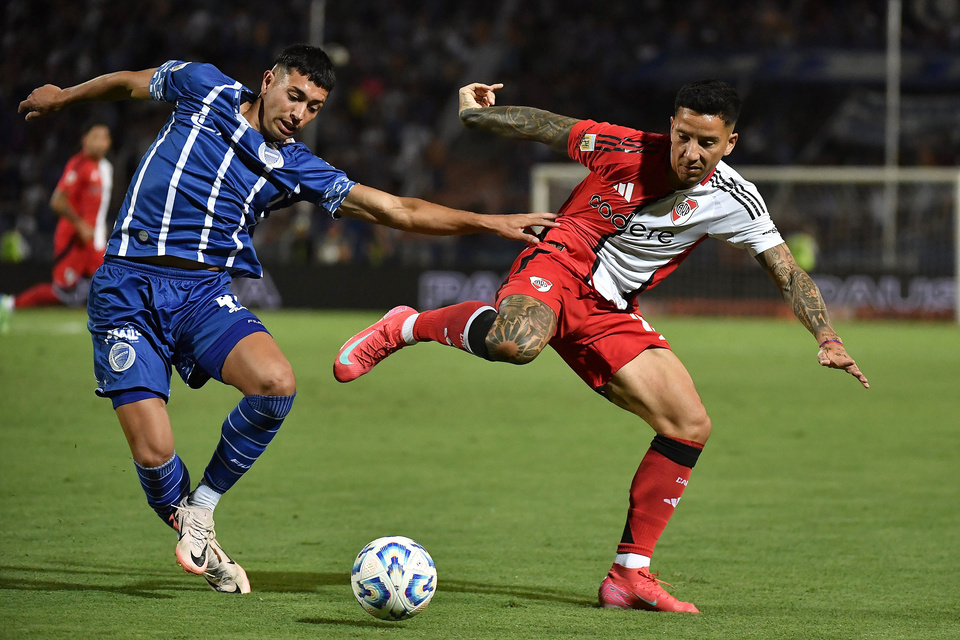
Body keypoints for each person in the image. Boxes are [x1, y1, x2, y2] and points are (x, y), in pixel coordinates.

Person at [17, 46, 557, 594]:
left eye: (314, 107)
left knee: (276, 383)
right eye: (295, 96)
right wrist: (65, 96)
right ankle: (192, 530)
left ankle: (201, 511)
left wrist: (490, 222)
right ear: (269, 80)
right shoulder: (202, 87)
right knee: (155, 454)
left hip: (202, 296)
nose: (300, 114)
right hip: (126, 291)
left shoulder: (297, 167)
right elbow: (130, 82)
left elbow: (395, 210)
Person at [333, 79, 869, 612]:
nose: (690, 152)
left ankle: (629, 576)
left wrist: (827, 337)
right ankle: (405, 326)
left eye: (706, 143)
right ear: (671, 127)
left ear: (730, 142)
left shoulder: (735, 201)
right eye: (682, 136)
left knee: (689, 424)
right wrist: (476, 117)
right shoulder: (627, 148)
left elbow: (786, 270)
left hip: (610, 310)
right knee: (516, 343)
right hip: (559, 260)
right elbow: (548, 126)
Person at [0, 122, 112, 330]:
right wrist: (80, 225)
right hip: (73, 240)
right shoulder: (78, 165)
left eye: (105, 137)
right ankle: (8, 304)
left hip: (94, 242)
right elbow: (57, 201)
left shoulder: (106, 168)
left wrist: (100, 230)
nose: (101, 142)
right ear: (84, 140)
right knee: (63, 290)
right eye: (95, 136)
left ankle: (116, 325)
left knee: (109, 283)